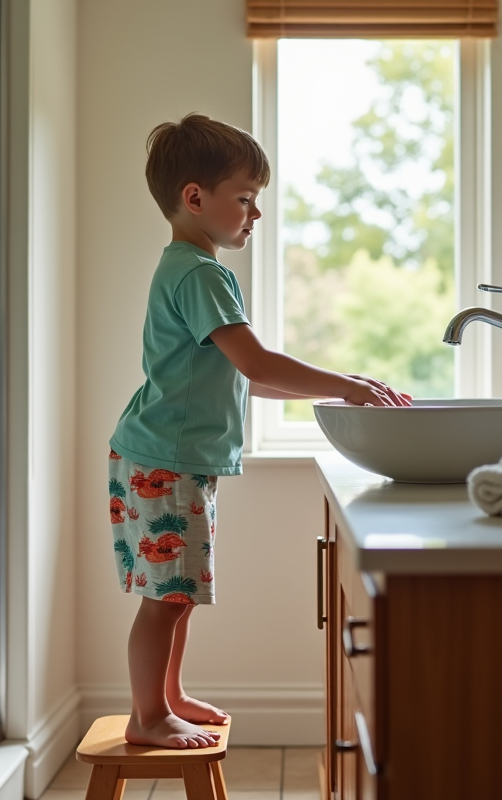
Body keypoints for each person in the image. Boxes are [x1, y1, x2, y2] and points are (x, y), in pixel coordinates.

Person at [108, 113, 411, 750]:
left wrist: (338, 383)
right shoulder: (200, 273)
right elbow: (259, 362)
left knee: (177, 591)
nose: (256, 213)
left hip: (167, 454)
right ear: (196, 198)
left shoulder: (189, 269)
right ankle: (147, 716)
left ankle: (166, 696)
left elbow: (247, 377)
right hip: (167, 457)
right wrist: (345, 385)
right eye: (245, 199)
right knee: (165, 597)